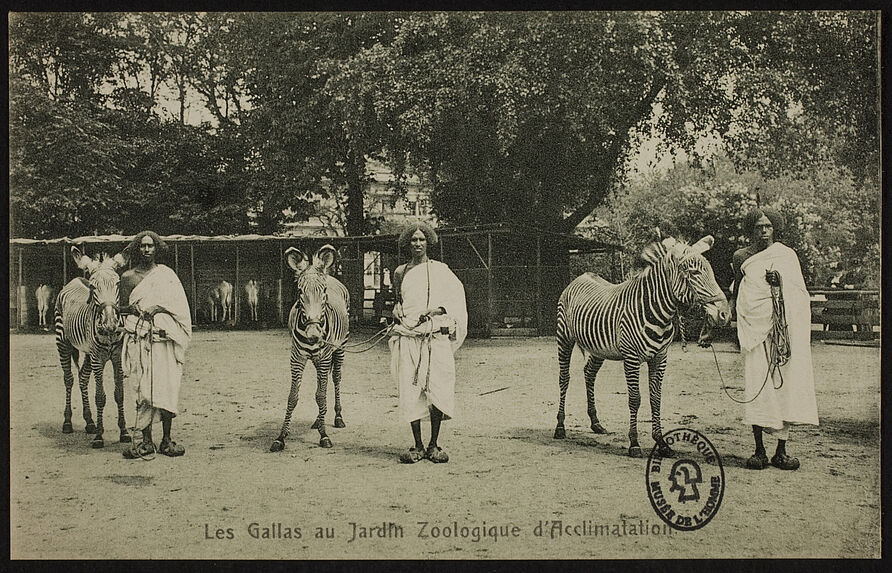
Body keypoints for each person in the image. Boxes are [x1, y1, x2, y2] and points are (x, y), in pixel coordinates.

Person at [730, 208, 819, 471]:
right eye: (759, 226)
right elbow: (737, 292)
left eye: (768, 226)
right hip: (755, 333)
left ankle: (781, 451)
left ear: (774, 228)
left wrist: (779, 283)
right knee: (758, 385)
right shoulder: (741, 257)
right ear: (751, 229)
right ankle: (759, 450)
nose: (764, 231)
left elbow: (800, 294)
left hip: (783, 334)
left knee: (785, 387)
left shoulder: (787, 256)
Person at [389, 222, 467, 464]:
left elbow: (455, 300)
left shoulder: (441, 271)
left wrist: (438, 309)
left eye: (422, 239)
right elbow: (400, 301)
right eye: (413, 240)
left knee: (438, 389)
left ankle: (434, 444)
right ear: (408, 244)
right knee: (410, 389)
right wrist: (397, 311)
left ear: (429, 242)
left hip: (435, 337)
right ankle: (418, 445)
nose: (418, 244)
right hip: (409, 336)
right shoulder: (400, 272)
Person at [119, 231, 192, 459]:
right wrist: (130, 310)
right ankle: (146, 442)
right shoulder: (128, 277)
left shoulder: (167, 276)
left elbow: (180, 308)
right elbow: (120, 309)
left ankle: (167, 440)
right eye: (142, 246)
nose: (147, 250)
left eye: (151, 246)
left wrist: (158, 307)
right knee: (142, 390)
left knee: (167, 388)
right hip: (140, 341)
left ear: (157, 249)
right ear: (137, 249)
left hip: (164, 341)